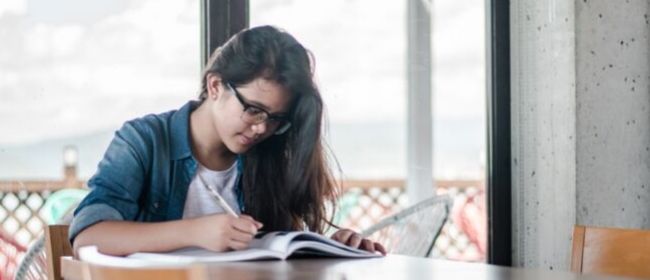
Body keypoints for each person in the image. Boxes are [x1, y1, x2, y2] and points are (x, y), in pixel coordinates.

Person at [70, 25, 386, 256]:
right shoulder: (144, 141)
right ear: (216, 85)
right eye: (253, 110)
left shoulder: (268, 154)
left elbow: (281, 253)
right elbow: (88, 237)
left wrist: (334, 247)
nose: (262, 128)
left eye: (275, 118)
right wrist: (196, 231)